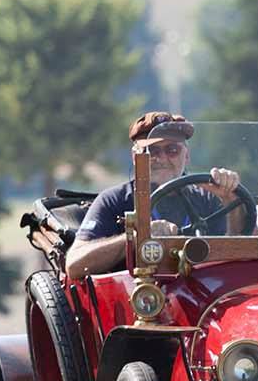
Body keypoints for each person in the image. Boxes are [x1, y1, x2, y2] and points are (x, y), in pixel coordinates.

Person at [66, 111, 244, 280]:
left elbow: (243, 256)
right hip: (137, 303)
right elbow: (74, 265)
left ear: (187, 155)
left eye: (172, 150)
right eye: (152, 151)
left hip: (203, 301)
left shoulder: (209, 197)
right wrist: (137, 238)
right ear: (135, 157)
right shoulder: (115, 200)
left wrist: (231, 198)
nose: (162, 158)